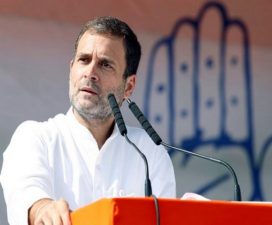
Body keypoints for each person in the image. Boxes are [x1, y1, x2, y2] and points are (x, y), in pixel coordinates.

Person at [0, 16, 176, 225]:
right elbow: (28, 194)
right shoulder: (34, 137)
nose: (90, 73)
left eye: (105, 65)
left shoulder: (149, 152)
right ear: (71, 69)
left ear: (128, 86)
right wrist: (44, 208)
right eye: (84, 60)